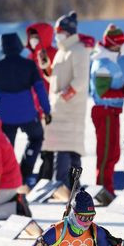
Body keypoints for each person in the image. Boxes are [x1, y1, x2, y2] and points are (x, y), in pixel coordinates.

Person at [0, 33, 51, 188]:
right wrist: (47, 110)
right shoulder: (30, 65)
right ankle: (25, 173)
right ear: (19, 45)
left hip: (6, 117)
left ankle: (9, 178)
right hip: (28, 114)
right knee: (36, 138)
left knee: (6, 148)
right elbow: (40, 90)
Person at [89, 24, 124, 194]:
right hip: (105, 111)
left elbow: (112, 86)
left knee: (113, 152)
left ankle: (107, 186)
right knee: (106, 153)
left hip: (111, 112)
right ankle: (103, 187)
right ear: (114, 44)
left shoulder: (110, 61)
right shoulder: (103, 63)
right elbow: (102, 92)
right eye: (121, 43)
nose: (123, 47)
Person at [42, 11, 91, 188]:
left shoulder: (78, 50)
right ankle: (73, 185)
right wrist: (46, 69)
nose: (57, 35)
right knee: (68, 148)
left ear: (69, 32)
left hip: (70, 109)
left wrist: (63, 97)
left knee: (66, 147)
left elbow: (81, 79)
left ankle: (62, 183)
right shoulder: (62, 51)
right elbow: (56, 80)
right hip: (59, 108)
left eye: (60, 31)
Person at [26, 22, 58, 181]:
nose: (33, 39)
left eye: (36, 36)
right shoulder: (30, 57)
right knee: (41, 142)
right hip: (34, 107)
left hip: (49, 105)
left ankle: (46, 177)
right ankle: (45, 176)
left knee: (49, 144)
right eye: (31, 36)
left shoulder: (54, 53)